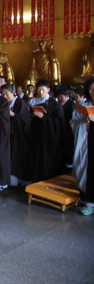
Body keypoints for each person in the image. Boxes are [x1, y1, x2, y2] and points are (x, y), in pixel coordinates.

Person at [28, 79, 65, 182]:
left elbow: (58, 121)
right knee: (35, 158)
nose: (40, 92)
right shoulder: (33, 101)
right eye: (38, 90)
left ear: (48, 90)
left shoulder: (54, 103)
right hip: (36, 134)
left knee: (45, 161)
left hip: (48, 137)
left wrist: (43, 117)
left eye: (42, 90)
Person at [70, 78, 94, 216]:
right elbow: (73, 122)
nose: (93, 92)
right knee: (84, 168)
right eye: (91, 89)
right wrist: (83, 122)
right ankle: (87, 201)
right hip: (85, 144)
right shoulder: (84, 105)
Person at [0, 84, 32, 187]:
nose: (4, 96)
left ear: (13, 92)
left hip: (19, 136)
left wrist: (13, 115)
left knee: (17, 158)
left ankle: (18, 180)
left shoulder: (20, 103)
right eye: (3, 94)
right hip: (8, 134)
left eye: (7, 93)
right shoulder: (4, 103)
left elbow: (25, 120)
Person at [57, 86, 76, 168]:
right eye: (58, 97)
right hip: (61, 127)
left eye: (61, 96)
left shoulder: (71, 104)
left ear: (67, 96)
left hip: (68, 128)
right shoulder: (59, 104)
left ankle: (69, 162)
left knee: (69, 145)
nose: (59, 98)